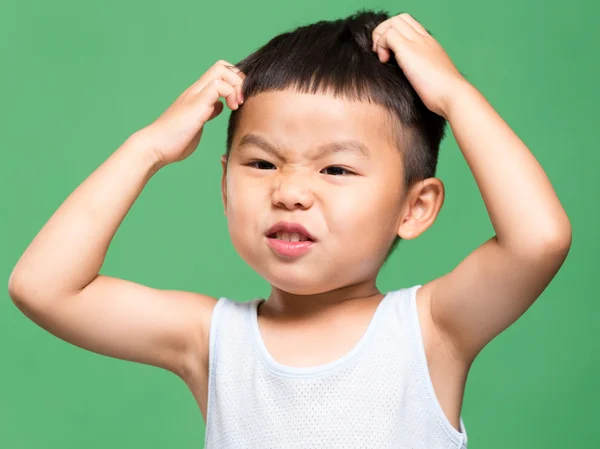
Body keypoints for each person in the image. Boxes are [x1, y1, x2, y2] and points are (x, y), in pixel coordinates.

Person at [7, 9, 571, 449]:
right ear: (225, 187)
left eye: (336, 169)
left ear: (415, 208)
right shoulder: (210, 340)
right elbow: (44, 287)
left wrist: (453, 94)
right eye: (262, 163)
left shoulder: (432, 330)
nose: (291, 192)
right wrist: (149, 146)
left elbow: (538, 239)